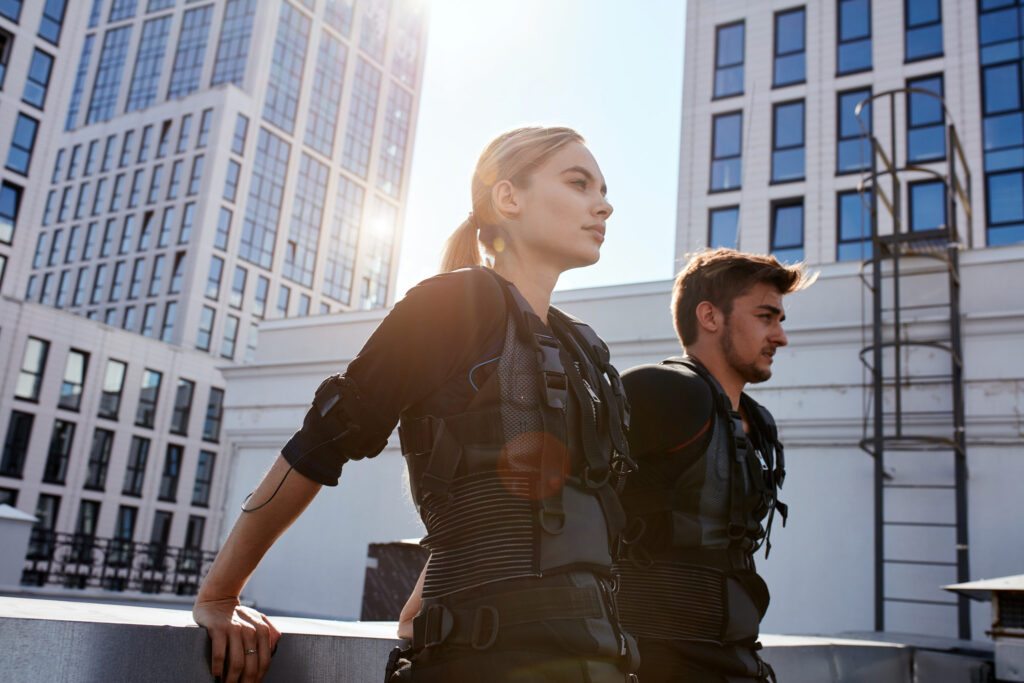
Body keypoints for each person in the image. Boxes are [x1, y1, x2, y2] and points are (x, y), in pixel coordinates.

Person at [192, 126, 640, 683]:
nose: (605, 205)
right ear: (508, 197)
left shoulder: (585, 349)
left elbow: (520, 498)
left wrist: (426, 597)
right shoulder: (455, 302)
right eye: (580, 183)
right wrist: (220, 594)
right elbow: (322, 440)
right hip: (482, 667)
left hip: (595, 664)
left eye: (603, 189)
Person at [614, 248, 813, 683]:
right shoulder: (665, 392)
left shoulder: (758, 424)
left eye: (780, 320)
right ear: (710, 316)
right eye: (766, 317)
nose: (780, 336)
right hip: (649, 666)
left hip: (736, 662)